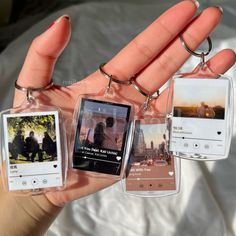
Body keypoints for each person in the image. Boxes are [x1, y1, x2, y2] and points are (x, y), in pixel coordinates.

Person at [0, 2, 235, 236]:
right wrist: (29, 201)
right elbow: (90, 136)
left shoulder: (99, 129)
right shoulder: (76, 130)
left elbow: (98, 136)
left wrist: (29, 205)